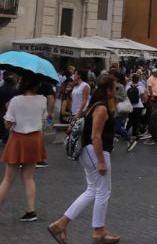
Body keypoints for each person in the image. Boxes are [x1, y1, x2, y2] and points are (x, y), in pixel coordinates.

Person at [48, 74, 120, 244]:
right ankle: (98, 231)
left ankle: (61, 224)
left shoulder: (95, 105)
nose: (116, 91)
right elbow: (96, 136)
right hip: (96, 151)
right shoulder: (101, 108)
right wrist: (102, 161)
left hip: (90, 152)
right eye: (115, 88)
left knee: (93, 190)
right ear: (108, 89)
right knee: (103, 191)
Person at [0, 76, 48, 222]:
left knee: (8, 179)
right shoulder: (42, 99)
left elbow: (8, 124)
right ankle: (31, 211)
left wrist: (8, 112)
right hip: (35, 139)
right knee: (28, 177)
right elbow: (43, 118)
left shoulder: (16, 100)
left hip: (18, 138)